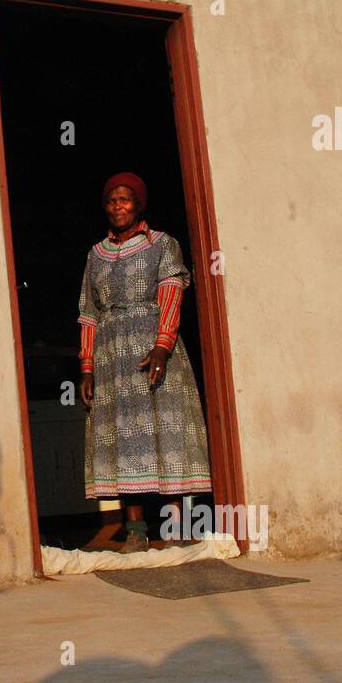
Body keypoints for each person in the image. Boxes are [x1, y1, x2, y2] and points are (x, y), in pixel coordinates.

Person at [77, 172, 212, 552]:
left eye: (125, 200)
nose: (118, 207)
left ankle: (173, 529)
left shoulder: (162, 245)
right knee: (123, 439)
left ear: (139, 205)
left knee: (163, 432)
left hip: (153, 347)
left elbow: (171, 291)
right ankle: (135, 530)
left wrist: (162, 346)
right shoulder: (95, 254)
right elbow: (88, 313)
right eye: (111, 201)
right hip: (110, 357)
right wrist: (87, 367)